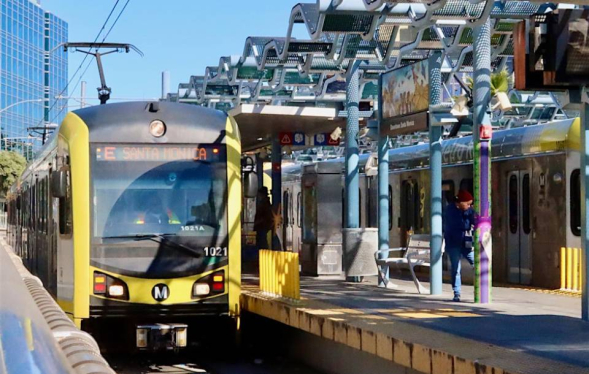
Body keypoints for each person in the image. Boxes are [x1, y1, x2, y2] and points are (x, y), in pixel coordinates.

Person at [444, 189, 475, 302]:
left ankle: (480, 289)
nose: (469, 206)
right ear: (460, 202)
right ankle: (457, 293)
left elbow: (474, 221)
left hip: (466, 243)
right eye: (467, 203)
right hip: (453, 243)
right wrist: (468, 214)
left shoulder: (468, 211)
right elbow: (462, 224)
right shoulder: (450, 210)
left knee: (477, 263)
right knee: (456, 268)